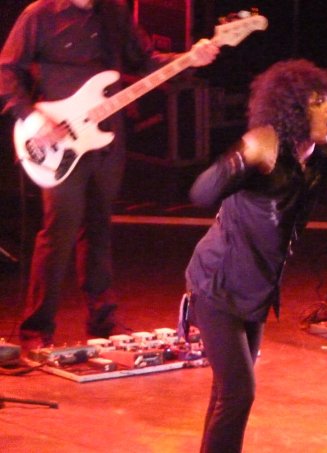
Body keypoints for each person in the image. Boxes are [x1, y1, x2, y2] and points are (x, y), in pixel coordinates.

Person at [0, 0, 219, 352]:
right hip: (55, 138)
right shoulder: (39, 14)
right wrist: (33, 117)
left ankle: (102, 323)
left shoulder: (114, 13)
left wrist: (189, 58)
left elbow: (146, 61)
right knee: (59, 231)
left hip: (105, 139)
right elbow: (6, 70)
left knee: (99, 228)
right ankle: (35, 331)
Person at [184, 59, 327, 453]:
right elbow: (201, 194)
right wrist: (242, 154)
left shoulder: (319, 159)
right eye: (318, 102)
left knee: (227, 392)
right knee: (238, 392)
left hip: (256, 289)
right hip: (216, 284)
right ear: (293, 111)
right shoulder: (266, 151)